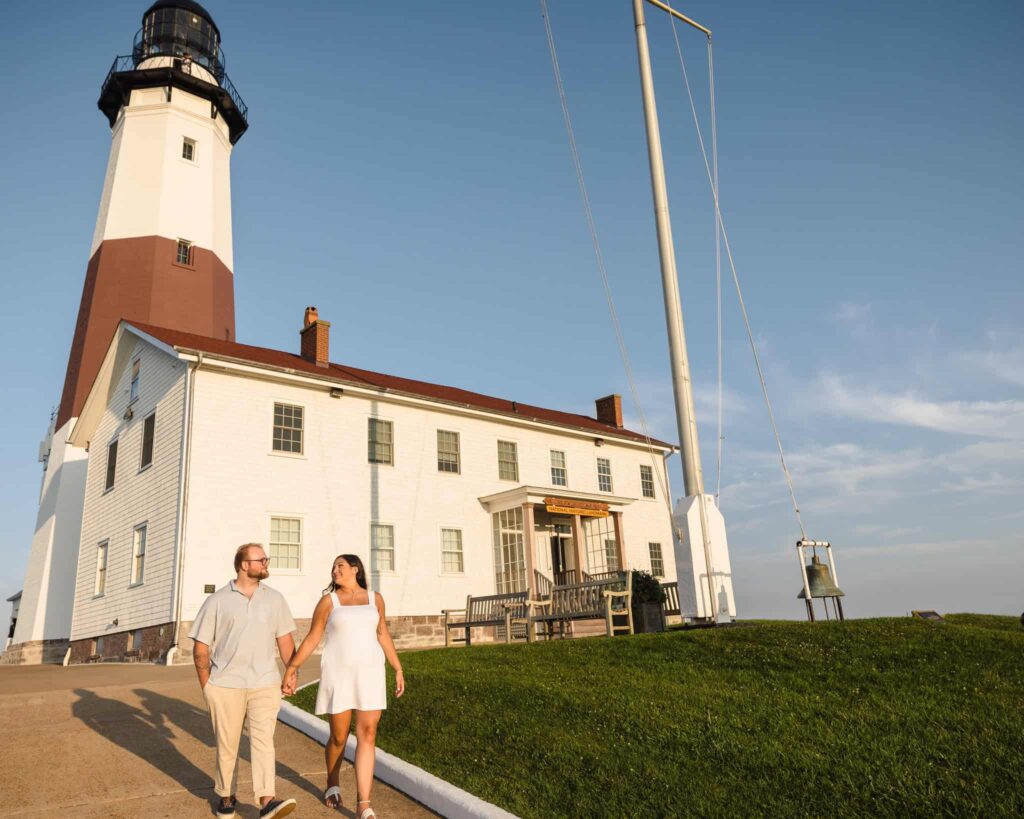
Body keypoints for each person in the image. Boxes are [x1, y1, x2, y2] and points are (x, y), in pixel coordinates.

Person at [282, 554, 405, 817]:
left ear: (355, 569)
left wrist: (397, 668)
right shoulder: (329, 602)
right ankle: (332, 781)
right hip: (338, 674)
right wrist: (292, 667)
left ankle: (364, 804)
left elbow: (382, 634)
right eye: (333, 566)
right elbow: (313, 637)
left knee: (368, 734)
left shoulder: (375, 599)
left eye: (340, 565)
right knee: (339, 736)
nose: (335, 570)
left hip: (370, 673)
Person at [191, 543, 298, 819]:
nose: (266, 562)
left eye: (265, 558)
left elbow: (285, 641)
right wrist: (208, 686)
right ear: (243, 565)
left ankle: (267, 801)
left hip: (265, 682)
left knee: (264, 742)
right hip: (225, 685)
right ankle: (226, 796)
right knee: (227, 744)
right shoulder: (217, 601)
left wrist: (291, 671)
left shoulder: (275, 599)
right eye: (260, 559)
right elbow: (201, 647)